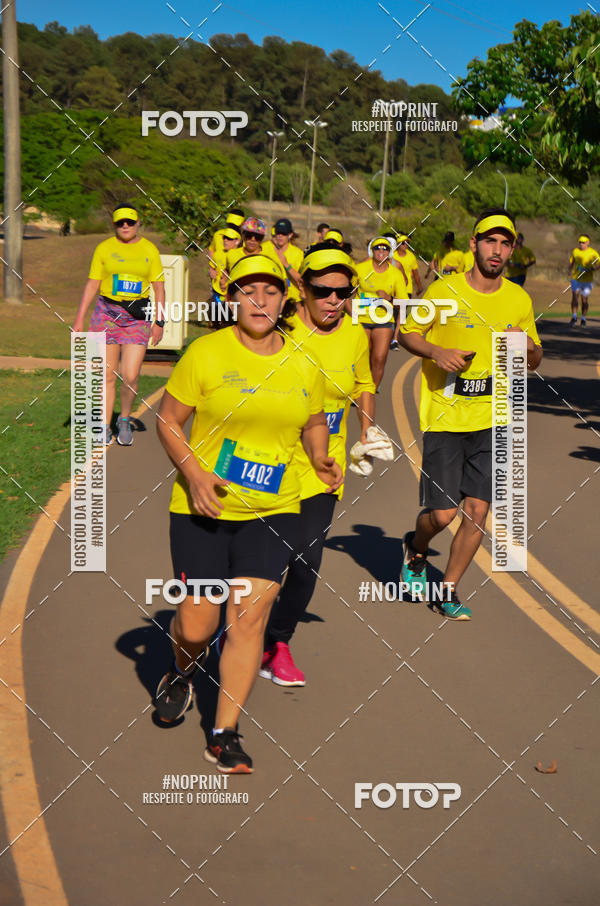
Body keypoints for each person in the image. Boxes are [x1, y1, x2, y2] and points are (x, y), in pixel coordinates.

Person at [154, 253, 342, 773]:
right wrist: (194, 475)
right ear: (232, 298)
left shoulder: (304, 362)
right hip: (202, 508)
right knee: (197, 622)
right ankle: (180, 668)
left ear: (285, 299)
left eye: (270, 290)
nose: (259, 300)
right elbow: (169, 422)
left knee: (247, 619)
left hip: (272, 509)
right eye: (247, 290)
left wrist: (320, 455)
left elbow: (312, 421)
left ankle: (224, 732)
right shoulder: (205, 354)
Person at [399, 208, 543, 620]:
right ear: (473, 244)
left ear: (512, 249)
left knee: (478, 511)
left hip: (494, 417)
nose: (497, 250)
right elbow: (406, 332)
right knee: (443, 514)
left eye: (505, 243)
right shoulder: (444, 292)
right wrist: (435, 351)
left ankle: (448, 589)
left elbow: (534, 358)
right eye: (489, 241)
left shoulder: (519, 299)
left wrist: (527, 348)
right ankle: (417, 547)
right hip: (445, 415)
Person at [261, 243, 376, 685]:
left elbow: (364, 382)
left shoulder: (354, 335)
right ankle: (232, 632)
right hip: (271, 462)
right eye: (323, 290)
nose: (333, 300)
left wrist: (367, 431)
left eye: (342, 292)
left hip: (323, 468)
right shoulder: (279, 330)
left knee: (307, 563)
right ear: (303, 289)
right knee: (264, 562)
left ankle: (277, 642)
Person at [73, 203, 165, 447]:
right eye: (120, 222)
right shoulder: (104, 248)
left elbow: (159, 287)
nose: (125, 226)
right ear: (114, 224)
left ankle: (124, 419)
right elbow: (93, 283)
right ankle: (104, 425)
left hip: (137, 315)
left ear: (137, 224)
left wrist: (160, 320)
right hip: (107, 313)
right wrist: (80, 317)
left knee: (131, 374)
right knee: (107, 374)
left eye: (130, 222)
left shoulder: (149, 249)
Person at [354, 237, 408, 388]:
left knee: (379, 357)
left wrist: (388, 298)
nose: (381, 251)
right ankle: (359, 385)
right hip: (361, 318)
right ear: (372, 251)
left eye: (385, 248)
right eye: (378, 248)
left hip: (384, 320)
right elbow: (347, 292)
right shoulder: (361, 269)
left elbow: (403, 303)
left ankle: (370, 390)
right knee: (363, 356)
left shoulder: (395, 274)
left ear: (389, 253)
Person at [390, 233, 423, 350]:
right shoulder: (392, 255)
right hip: (392, 289)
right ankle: (388, 335)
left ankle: (395, 339)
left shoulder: (411, 257)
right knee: (391, 313)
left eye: (407, 243)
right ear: (398, 244)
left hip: (407, 289)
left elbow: (415, 273)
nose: (405, 245)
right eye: (403, 242)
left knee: (401, 314)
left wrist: (419, 287)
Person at [263, 218, 304, 303]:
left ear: (290, 235)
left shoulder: (298, 253)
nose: (280, 236)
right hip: (270, 300)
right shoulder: (264, 249)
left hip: (292, 300)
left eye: (284, 234)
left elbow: (302, 281)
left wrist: (286, 265)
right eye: (278, 233)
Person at [207, 226, 241, 327]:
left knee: (231, 321)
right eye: (224, 238)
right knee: (216, 322)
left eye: (229, 239)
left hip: (231, 295)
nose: (225, 240)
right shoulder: (218, 254)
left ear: (237, 241)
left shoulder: (239, 255)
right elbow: (212, 266)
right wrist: (211, 271)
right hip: (217, 293)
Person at [568, 234, 599, 327]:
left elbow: (599, 263)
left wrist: (592, 269)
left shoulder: (593, 253)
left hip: (587, 280)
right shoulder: (575, 251)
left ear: (588, 243)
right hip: (576, 278)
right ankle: (574, 317)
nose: (581, 244)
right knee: (575, 296)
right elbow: (571, 262)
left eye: (583, 242)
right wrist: (569, 270)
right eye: (580, 242)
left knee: (584, 299)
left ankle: (583, 319)